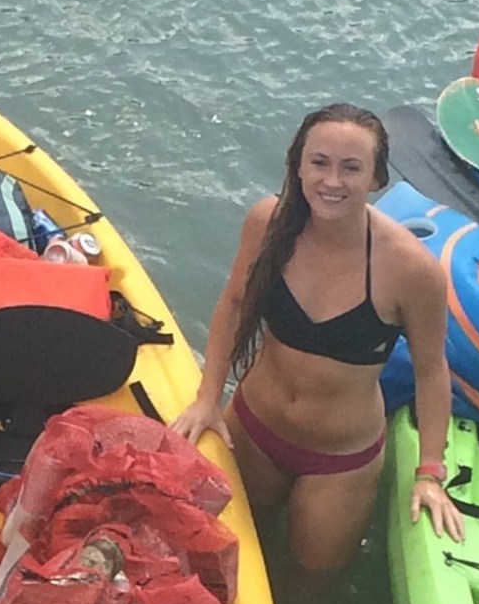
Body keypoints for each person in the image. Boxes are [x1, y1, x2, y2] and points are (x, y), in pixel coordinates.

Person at [171, 104, 463, 570]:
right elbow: (234, 304)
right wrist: (207, 399)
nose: (332, 181)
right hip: (252, 428)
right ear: (299, 166)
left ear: (376, 179)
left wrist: (430, 472)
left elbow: (431, 372)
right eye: (320, 163)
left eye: (351, 168)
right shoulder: (268, 223)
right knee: (210, 559)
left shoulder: (411, 270)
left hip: (339, 462)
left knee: (308, 589)